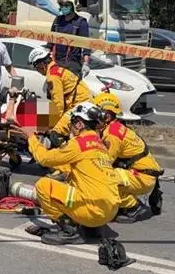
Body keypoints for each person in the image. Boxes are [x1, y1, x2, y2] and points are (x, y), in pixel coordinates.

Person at [13, 103, 121, 246]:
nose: (70, 127)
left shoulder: (79, 144)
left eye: (72, 123)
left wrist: (31, 137)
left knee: (43, 186)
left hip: (92, 212)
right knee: (74, 182)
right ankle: (92, 227)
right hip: (109, 212)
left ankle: (70, 231)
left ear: (79, 124)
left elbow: (44, 159)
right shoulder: (100, 145)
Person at [92, 92, 163, 224]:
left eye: (96, 113)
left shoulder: (111, 135)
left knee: (105, 177)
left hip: (143, 177)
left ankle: (133, 207)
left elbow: (105, 162)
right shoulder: (115, 127)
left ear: (106, 115)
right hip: (144, 175)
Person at [28, 47, 93, 124]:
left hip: (80, 104)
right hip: (82, 101)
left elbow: (58, 105)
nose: (38, 71)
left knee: (58, 129)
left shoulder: (52, 76)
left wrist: (49, 124)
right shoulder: (55, 69)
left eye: (36, 68)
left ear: (42, 64)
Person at [49, 0, 92, 77]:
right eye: (61, 4)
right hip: (56, 63)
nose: (63, 7)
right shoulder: (57, 20)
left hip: (72, 66)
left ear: (73, 5)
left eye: (67, 5)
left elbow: (86, 46)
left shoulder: (81, 23)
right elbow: (50, 42)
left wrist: (86, 63)